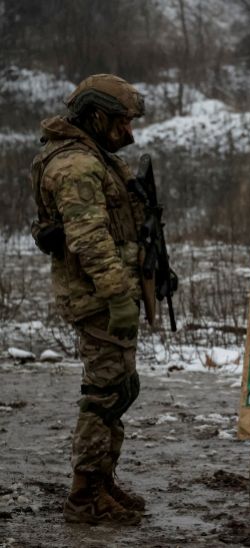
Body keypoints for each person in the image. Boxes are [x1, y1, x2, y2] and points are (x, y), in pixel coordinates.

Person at [30, 74, 148, 525]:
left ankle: (101, 481)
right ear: (96, 116)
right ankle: (84, 496)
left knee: (120, 388)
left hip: (104, 293)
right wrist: (118, 296)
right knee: (104, 394)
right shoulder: (77, 165)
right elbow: (90, 239)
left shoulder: (93, 156)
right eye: (122, 122)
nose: (129, 132)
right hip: (97, 298)